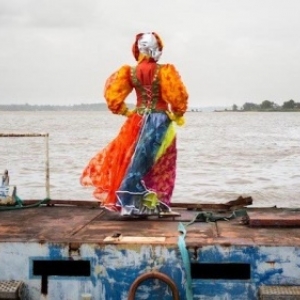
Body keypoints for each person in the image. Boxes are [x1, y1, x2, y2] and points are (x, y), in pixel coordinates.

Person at [80, 32, 188, 216]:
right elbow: (178, 98)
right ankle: (148, 203)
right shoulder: (164, 71)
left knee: (132, 158)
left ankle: (131, 203)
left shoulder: (130, 72)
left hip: (136, 119)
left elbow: (113, 97)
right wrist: (176, 114)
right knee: (160, 162)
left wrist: (127, 112)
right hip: (159, 120)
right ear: (155, 48)